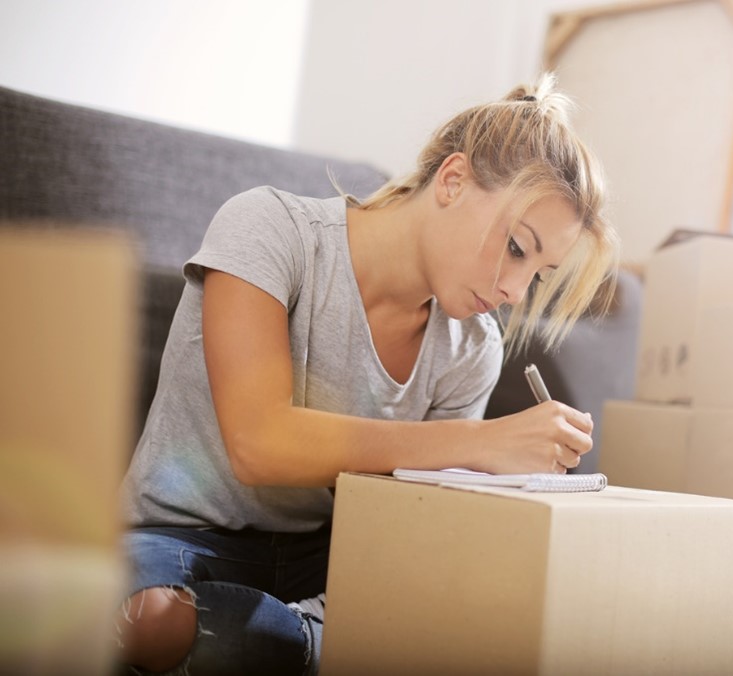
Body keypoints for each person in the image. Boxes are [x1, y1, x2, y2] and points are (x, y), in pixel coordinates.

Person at [115, 72, 618, 675]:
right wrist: (484, 444)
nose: (513, 290)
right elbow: (259, 443)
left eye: (538, 272)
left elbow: (406, 527)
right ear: (453, 181)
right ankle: (316, 643)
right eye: (516, 246)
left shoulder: (469, 346)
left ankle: (295, 639)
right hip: (181, 537)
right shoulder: (269, 229)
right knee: (150, 625)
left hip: (329, 553)